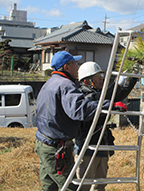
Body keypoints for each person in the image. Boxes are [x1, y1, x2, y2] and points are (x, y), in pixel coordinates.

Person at [34, 51, 111, 191]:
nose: (77, 66)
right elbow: (79, 110)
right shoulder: (66, 85)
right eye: (75, 63)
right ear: (66, 67)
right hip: (56, 147)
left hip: (43, 143)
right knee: (70, 187)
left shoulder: (49, 83)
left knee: (49, 186)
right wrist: (107, 104)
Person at [74, 61, 138, 191]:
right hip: (87, 146)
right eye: (98, 77)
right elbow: (98, 99)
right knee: (84, 185)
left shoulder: (101, 93)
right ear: (87, 81)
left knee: (100, 184)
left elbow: (115, 95)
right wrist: (117, 85)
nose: (102, 79)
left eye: (101, 76)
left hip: (102, 143)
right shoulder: (82, 94)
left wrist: (133, 78)